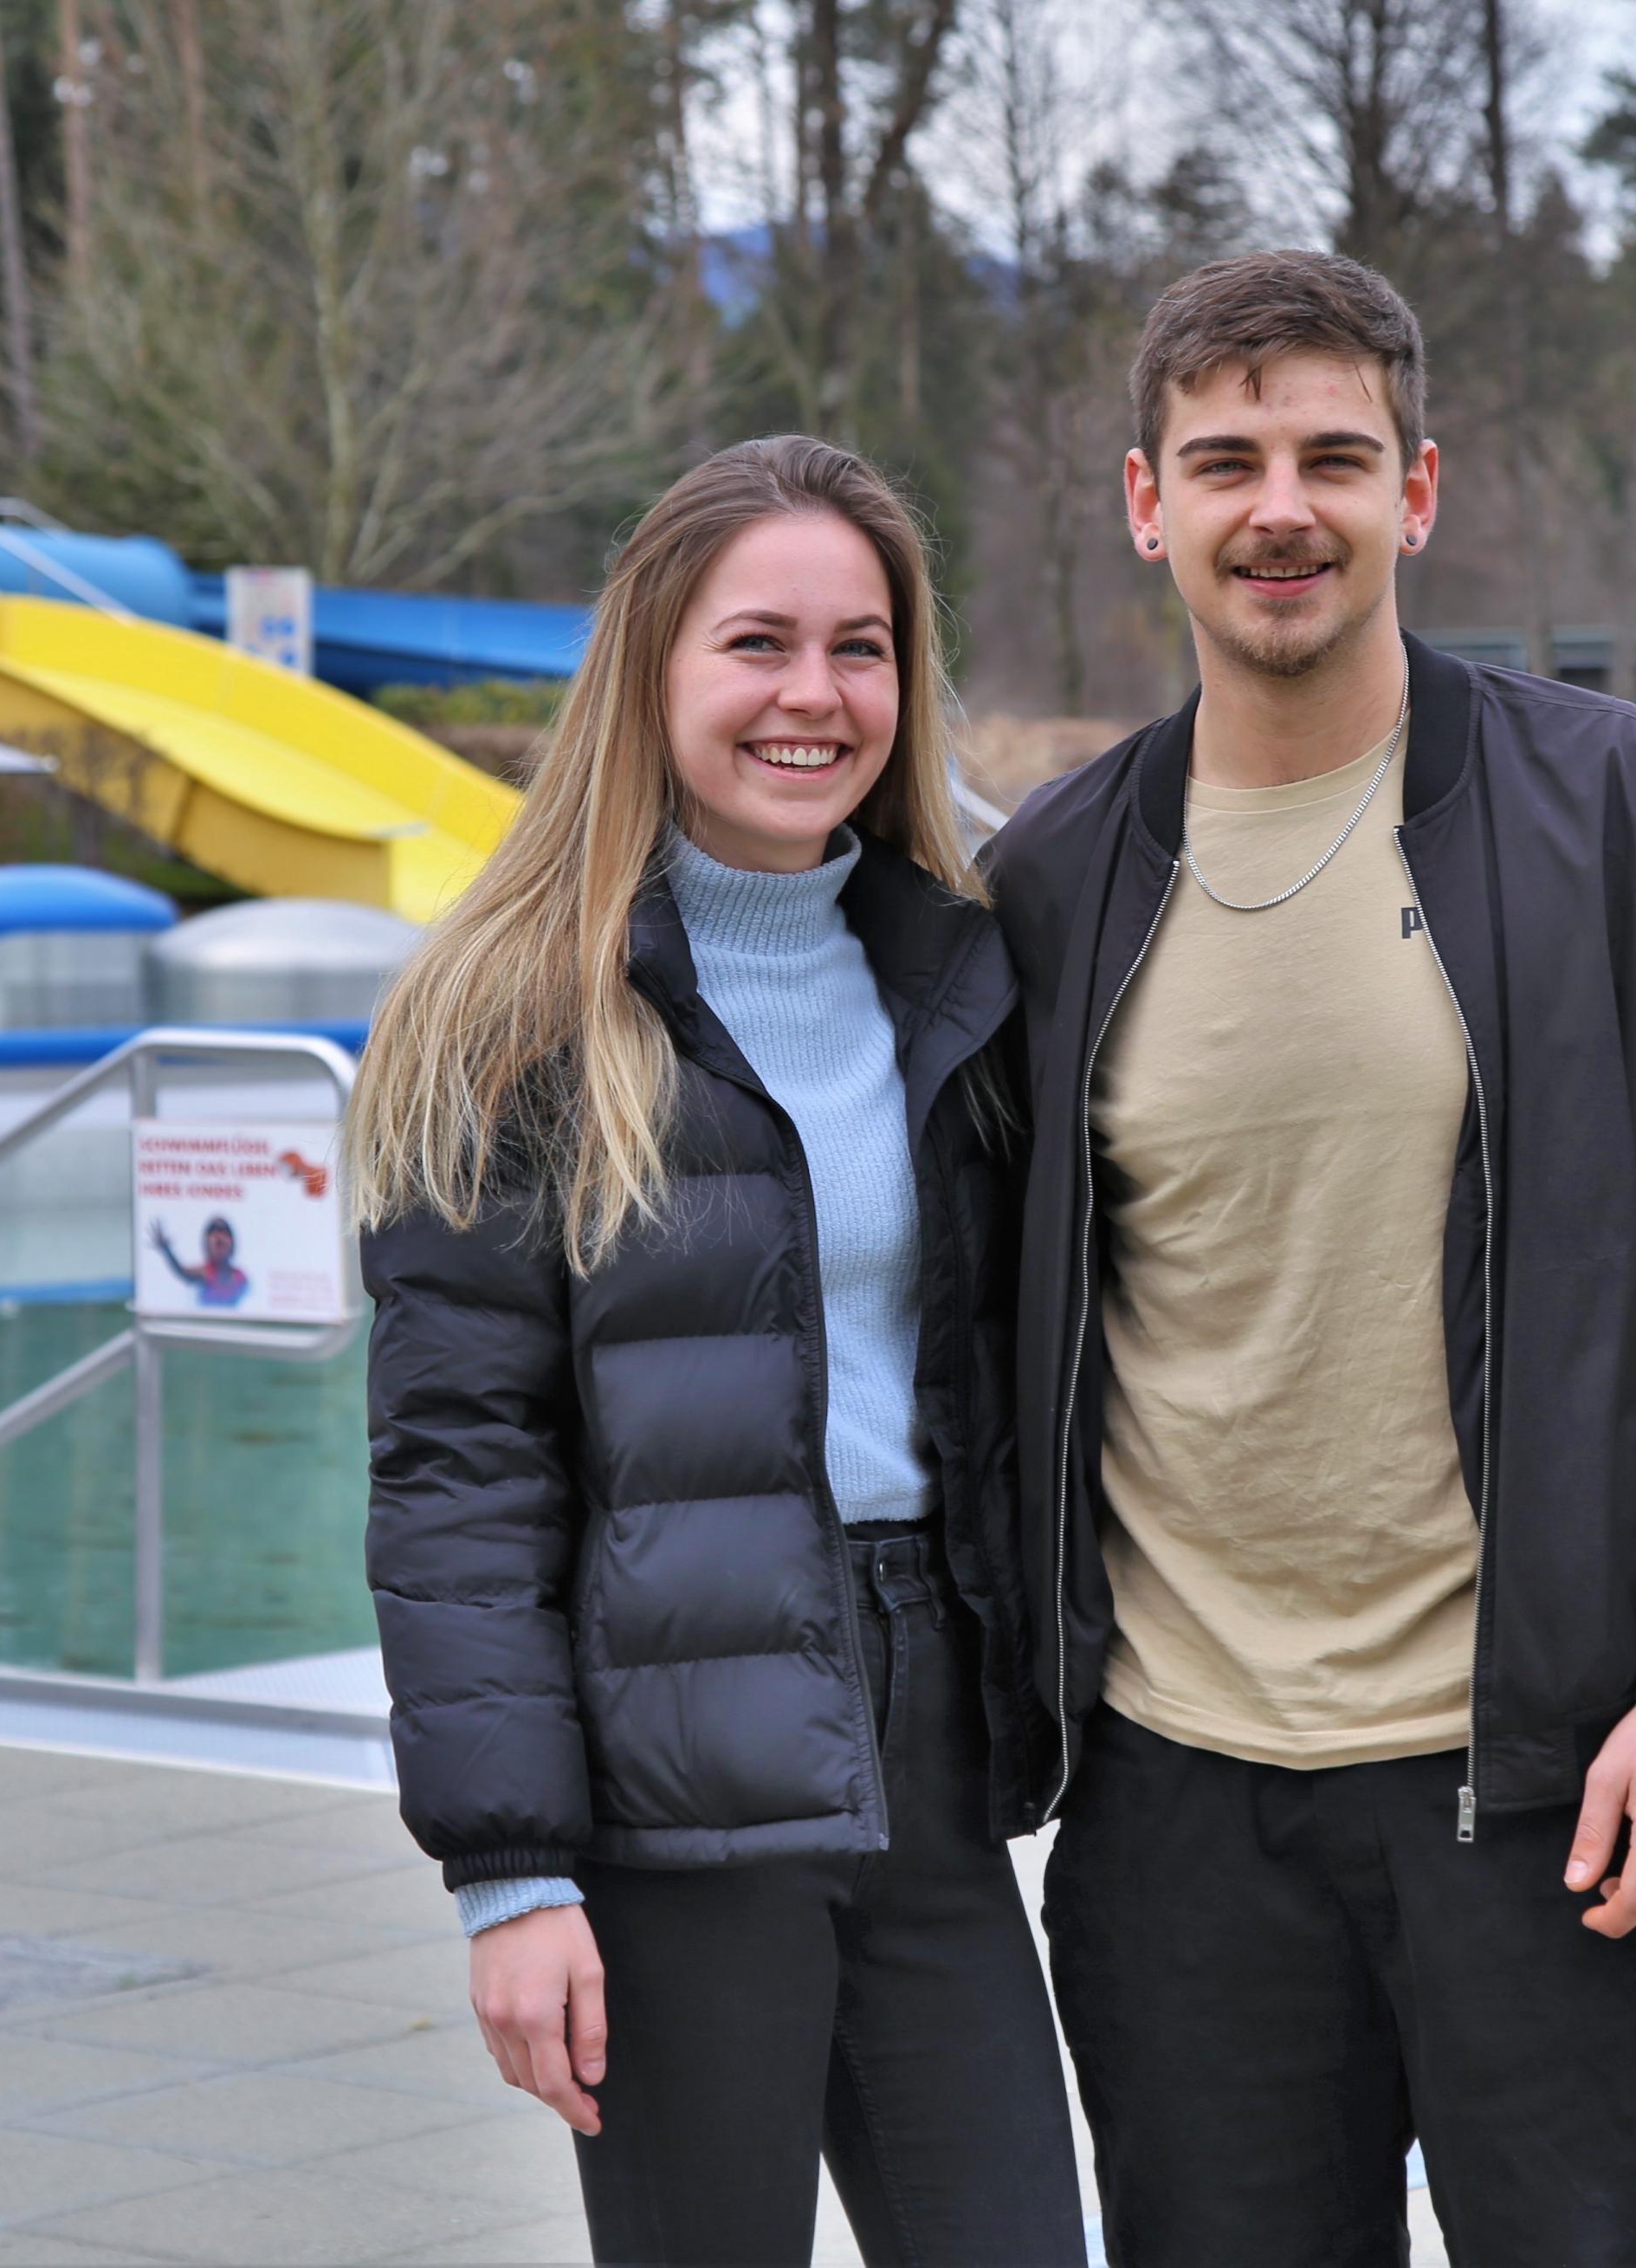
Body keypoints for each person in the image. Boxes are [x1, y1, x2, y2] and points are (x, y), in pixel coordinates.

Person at [983, 249, 1636, 2265]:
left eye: (1331, 457)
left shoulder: (1622, 815)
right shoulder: (1056, 876)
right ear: (1145, 505)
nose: (1278, 508)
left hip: (1543, 1785)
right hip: (1175, 1806)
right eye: (1224, 463)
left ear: (1417, 489)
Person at [349, 437, 1083, 2267]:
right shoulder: (509, 1015)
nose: (811, 696)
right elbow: (460, 1478)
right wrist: (509, 1873)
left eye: (860, 648)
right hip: (671, 1778)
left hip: (932, 1749)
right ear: (653, 668)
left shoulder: (965, 980)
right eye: (758, 643)